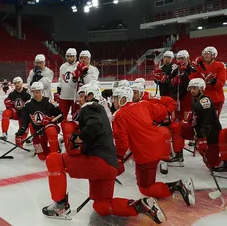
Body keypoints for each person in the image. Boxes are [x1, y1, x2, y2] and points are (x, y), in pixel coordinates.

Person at [42, 85, 167, 224]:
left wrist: (78, 139)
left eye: (82, 94)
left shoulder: (90, 107)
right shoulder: (102, 110)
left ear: (91, 95)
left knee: (54, 159)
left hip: (99, 162)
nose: (79, 98)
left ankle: (60, 206)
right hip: (109, 165)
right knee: (102, 206)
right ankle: (141, 205)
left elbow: (94, 126)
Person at [112, 87, 195, 205]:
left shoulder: (119, 115)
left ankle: (179, 186)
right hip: (160, 144)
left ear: (123, 99)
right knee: (148, 180)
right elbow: (163, 111)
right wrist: (165, 119)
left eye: (115, 98)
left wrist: (118, 157)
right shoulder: (144, 104)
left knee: (145, 188)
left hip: (146, 152)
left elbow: (122, 142)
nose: (113, 101)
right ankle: (173, 186)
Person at [170, 78, 227, 171]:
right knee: (177, 127)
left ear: (201, 89)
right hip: (197, 131)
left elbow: (208, 121)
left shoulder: (205, 100)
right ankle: (178, 155)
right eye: (191, 88)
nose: (192, 91)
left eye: (194, 88)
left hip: (210, 135)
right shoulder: (195, 100)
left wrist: (202, 137)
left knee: (213, 165)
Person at [16, 81, 62, 160]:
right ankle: (52, 148)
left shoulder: (49, 102)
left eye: (37, 92)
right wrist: (21, 132)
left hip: (48, 127)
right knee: (42, 156)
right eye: (34, 92)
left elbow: (61, 115)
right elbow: (25, 119)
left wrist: (51, 120)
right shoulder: (28, 105)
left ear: (42, 91)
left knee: (51, 130)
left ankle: (55, 151)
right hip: (38, 131)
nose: (35, 94)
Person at [190, 47, 226, 116]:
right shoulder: (200, 66)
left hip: (216, 98)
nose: (205, 55)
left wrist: (213, 81)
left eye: (208, 54)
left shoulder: (220, 65)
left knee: (214, 121)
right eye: (204, 54)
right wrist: (194, 70)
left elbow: (221, 83)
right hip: (203, 97)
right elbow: (193, 80)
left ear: (213, 55)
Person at [1, 77, 31, 145]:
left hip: (24, 115)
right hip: (15, 113)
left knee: (20, 138)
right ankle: (4, 134)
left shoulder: (27, 92)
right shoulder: (12, 94)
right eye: (15, 83)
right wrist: (7, 102)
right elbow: (7, 101)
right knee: (5, 113)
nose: (17, 84)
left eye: (18, 82)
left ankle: (32, 137)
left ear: (22, 83)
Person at [169, 50, 193, 121]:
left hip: (186, 97)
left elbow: (190, 86)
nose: (180, 60)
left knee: (185, 118)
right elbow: (170, 85)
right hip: (176, 97)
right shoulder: (175, 70)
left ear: (187, 58)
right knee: (175, 118)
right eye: (179, 59)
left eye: (182, 58)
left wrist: (183, 74)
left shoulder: (191, 69)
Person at [56, 48, 78, 121]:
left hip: (75, 96)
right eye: (68, 56)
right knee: (62, 117)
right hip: (64, 96)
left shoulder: (79, 66)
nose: (69, 58)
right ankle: (65, 131)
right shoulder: (62, 67)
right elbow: (60, 78)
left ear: (75, 57)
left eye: (71, 56)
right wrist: (59, 86)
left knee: (76, 118)